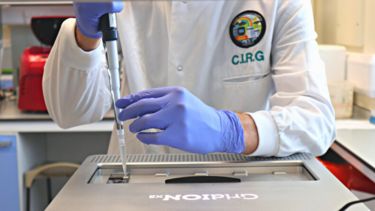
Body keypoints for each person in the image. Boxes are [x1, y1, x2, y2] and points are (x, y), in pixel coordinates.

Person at [43, 0, 336, 156]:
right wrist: (85, 35)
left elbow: (316, 121)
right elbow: (70, 113)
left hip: (245, 184)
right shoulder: (125, 5)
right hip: (141, 180)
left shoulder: (280, 3)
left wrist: (230, 130)